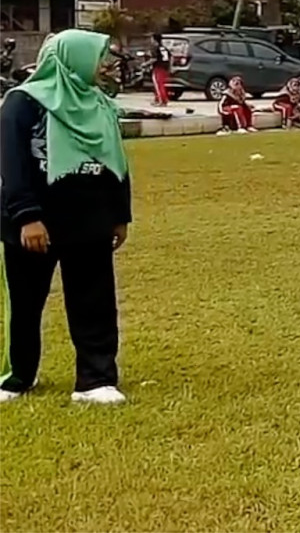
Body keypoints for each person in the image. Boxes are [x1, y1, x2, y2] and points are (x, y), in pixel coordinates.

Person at [0, 30, 132, 405]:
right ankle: (18, 377)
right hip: (33, 226)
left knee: (95, 304)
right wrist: (27, 217)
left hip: (89, 223)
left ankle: (95, 380)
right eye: (98, 57)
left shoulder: (100, 104)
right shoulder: (23, 103)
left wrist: (119, 215)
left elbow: (116, 162)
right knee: (25, 306)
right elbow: (12, 165)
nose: (104, 65)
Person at [149, 32, 171, 106]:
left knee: (158, 84)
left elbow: (154, 59)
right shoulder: (163, 48)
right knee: (160, 84)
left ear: (154, 39)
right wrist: (170, 67)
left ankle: (162, 101)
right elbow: (171, 57)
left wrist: (145, 64)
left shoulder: (155, 48)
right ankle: (158, 99)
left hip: (158, 67)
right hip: (164, 67)